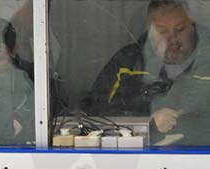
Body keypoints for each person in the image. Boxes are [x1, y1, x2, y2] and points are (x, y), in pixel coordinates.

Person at [88, 0, 210, 142]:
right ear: (149, 31)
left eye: (180, 29)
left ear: (192, 27)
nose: (172, 39)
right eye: (162, 31)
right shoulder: (127, 64)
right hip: (140, 158)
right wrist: (147, 121)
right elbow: (94, 116)